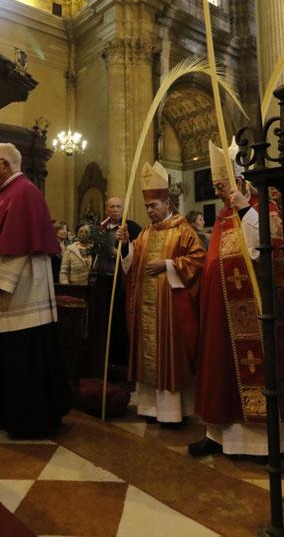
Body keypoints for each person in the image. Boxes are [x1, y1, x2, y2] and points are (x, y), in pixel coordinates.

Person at [188, 142, 284, 459]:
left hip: (254, 309)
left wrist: (246, 209)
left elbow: (270, 245)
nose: (220, 194)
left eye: (223, 187)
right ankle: (218, 435)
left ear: (241, 183)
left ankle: (263, 443)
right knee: (220, 369)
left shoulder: (264, 209)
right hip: (222, 309)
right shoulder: (222, 215)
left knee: (256, 369)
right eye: (217, 188)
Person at [0, 142, 72, 438]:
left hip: (21, 289)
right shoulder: (9, 193)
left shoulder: (24, 192)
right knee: (6, 351)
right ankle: (3, 413)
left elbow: (19, 243)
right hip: (16, 287)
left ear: (5, 164)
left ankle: (27, 419)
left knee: (21, 351)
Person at [118, 161, 205, 424]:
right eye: (146, 207)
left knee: (170, 355)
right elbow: (132, 261)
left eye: (153, 206)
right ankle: (149, 408)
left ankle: (173, 412)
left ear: (167, 203)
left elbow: (198, 259)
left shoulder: (183, 231)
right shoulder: (145, 232)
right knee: (148, 356)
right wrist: (124, 247)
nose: (149, 211)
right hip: (147, 308)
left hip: (171, 308)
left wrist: (168, 265)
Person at [95, 196, 142, 376]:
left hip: (122, 280)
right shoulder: (101, 228)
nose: (115, 210)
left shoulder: (131, 227)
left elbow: (138, 249)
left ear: (123, 209)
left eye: (118, 207)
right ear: (106, 209)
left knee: (120, 318)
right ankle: (104, 359)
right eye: (112, 207)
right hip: (102, 278)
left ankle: (123, 361)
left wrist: (121, 250)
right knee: (103, 318)